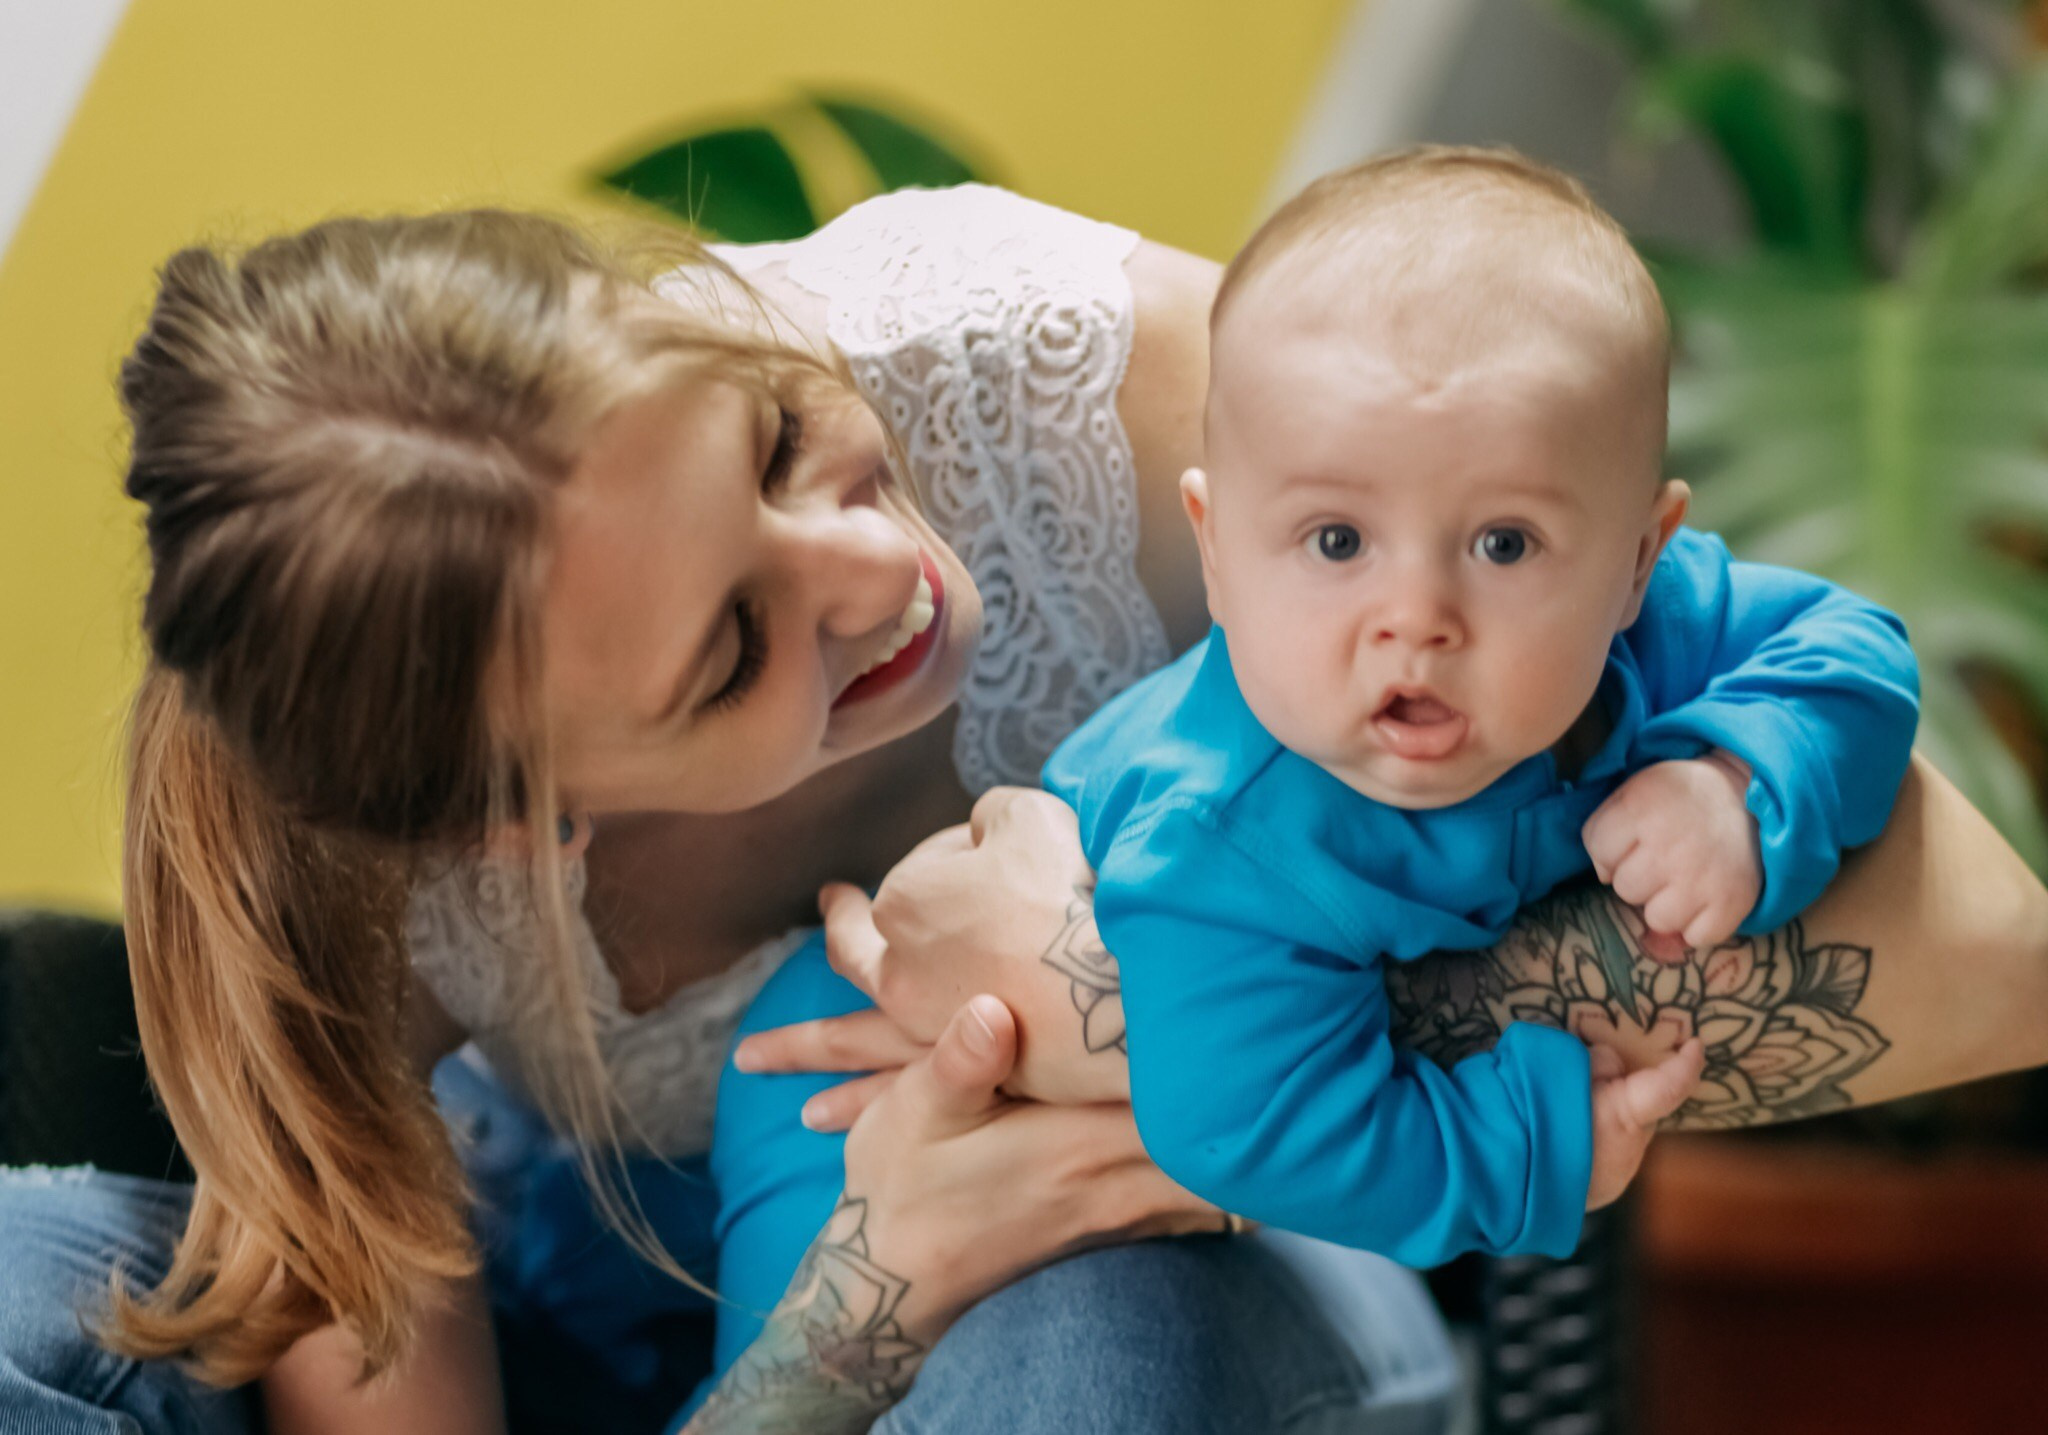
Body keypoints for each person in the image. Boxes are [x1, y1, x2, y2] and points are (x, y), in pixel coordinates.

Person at [0, 178, 2041, 1435]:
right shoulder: (332, 866)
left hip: (1153, 1308)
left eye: (788, 438)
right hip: (648, 1320)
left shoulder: (1046, 372)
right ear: (504, 826)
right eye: (734, 649)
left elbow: (1996, 963)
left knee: (1066, 1325)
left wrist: (1104, 1004)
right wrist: (868, 1284)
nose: (874, 573)